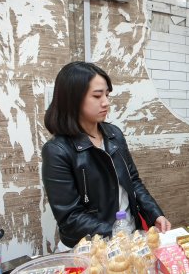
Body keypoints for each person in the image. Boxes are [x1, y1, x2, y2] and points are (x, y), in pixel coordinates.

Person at [42, 61, 171, 251]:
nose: (106, 102)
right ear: (73, 99)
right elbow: (70, 218)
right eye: (97, 96)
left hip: (128, 239)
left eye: (107, 95)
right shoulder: (57, 151)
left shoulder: (114, 135)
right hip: (90, 248)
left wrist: (155, 214)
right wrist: (117, 234)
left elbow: (133, 181)